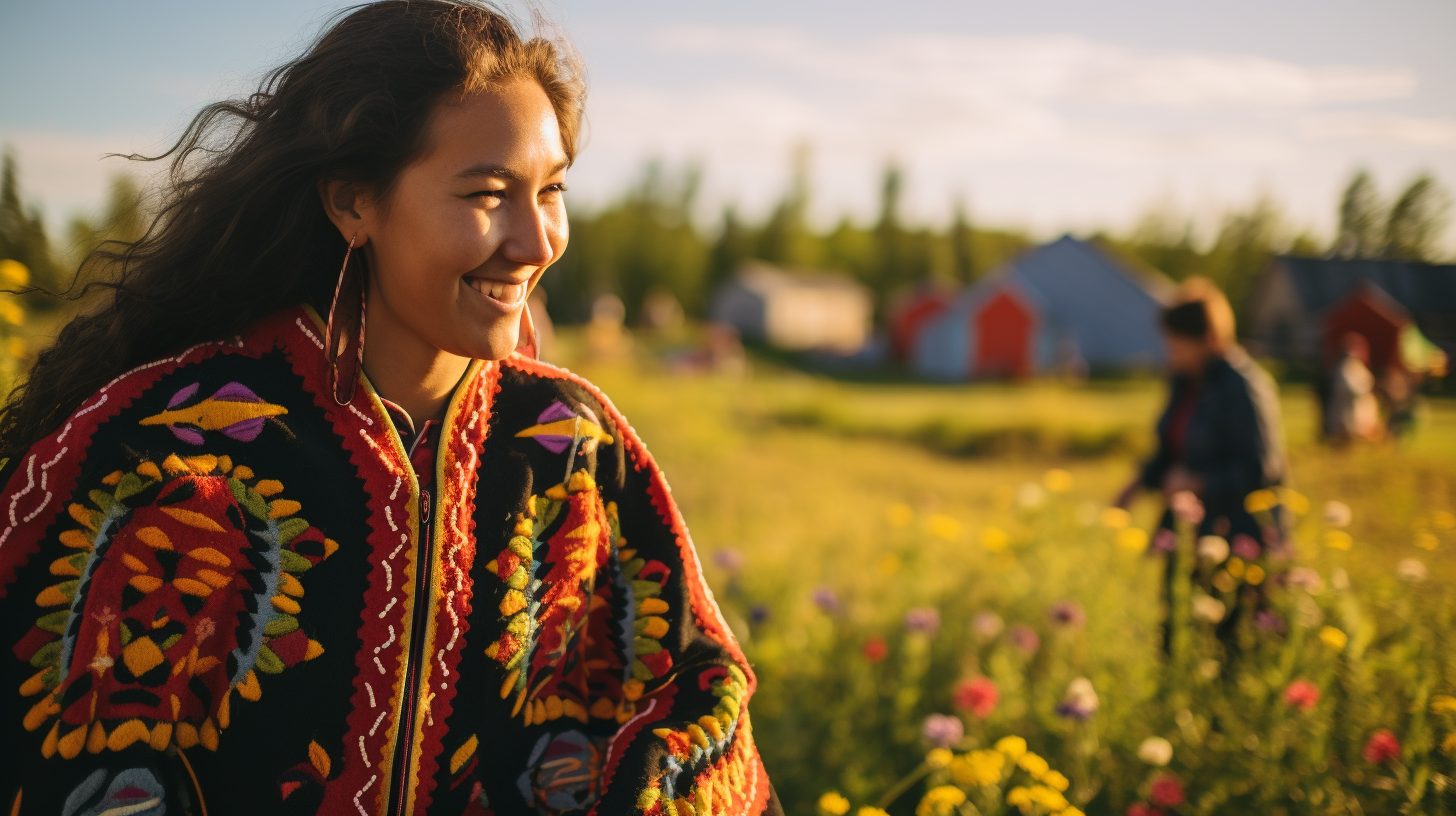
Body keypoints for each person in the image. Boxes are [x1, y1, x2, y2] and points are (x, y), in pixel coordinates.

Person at [0, 3, 780, 814]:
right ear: (352, 204)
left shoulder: (576, 449)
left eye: (551, 191)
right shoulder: (170, 447)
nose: (538, 241)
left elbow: (698, 696)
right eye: (488, 193)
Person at [1113, 278, 1288, 659]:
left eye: (1177, 343)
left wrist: (1199, 482)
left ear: (1209, 338)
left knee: (1229, 642)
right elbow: (1170, 449)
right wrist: (1137, 484)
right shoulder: (1186, 382)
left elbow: (1262, 470)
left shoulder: (1244, 387)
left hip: (1236, 536)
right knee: (1176, 630)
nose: (1170, 352)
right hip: (1189, 531)